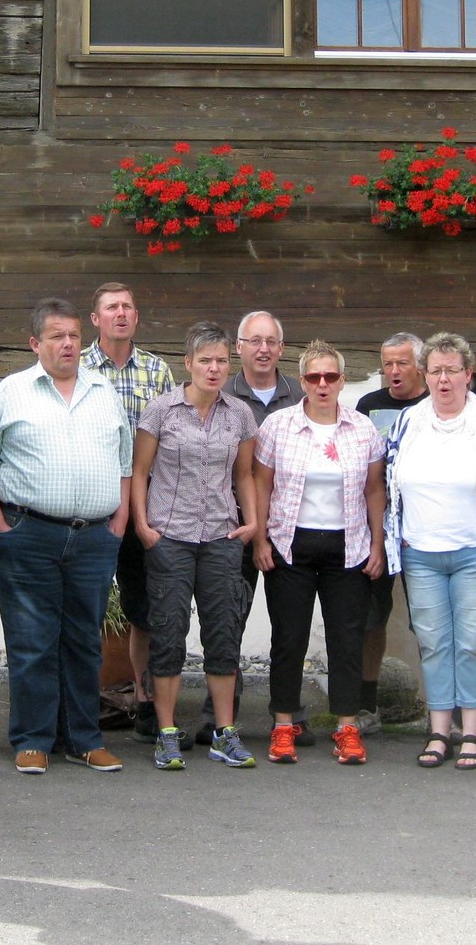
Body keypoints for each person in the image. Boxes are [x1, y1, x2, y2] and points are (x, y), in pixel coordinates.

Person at [0, 298, 133, 775]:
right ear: (35, 343)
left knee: (84, 640)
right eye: (56, 337)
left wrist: (119, 521)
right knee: (32, 641)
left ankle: (83, 738)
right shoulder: (11, 391)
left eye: (72, 336)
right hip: (28, 533)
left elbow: (125, 463)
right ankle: (32, 738)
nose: (68, 344)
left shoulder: (103, 391)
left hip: (93, 540)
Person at [384, 333, 476, 771]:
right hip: (420, 553)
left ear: (469, 373)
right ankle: (438, 731)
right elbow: (388, 483)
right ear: (424, 375)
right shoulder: (408, 421)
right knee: (432, 642)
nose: (443, 380)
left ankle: (471, 733)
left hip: (473, 552)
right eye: (435, 371)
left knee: (473, 642)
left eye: (451, 370)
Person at [130, 321, 261, 770]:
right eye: (205, 360)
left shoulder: (240, 414)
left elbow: (243, 474)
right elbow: (141, 472)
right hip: (170, 537)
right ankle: (167, 732)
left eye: (221, 360)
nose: (214, 368)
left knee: (223, 633)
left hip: (223, 538)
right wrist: (144, 526)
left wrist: (252, 522)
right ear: (187, 364)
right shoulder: (161, 411)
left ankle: (225, 733)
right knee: (167, 634)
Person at [253, 340, 387, 766]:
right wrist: (259, 540)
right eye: (314, 376)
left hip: (348, 548)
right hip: (290, 545)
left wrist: (378, 544)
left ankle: (347, 727)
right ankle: (283, 725)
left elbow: (374, 489)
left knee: (346, 639)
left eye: (331, 376)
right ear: (303, 381)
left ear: (343, 381)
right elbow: (260, 484)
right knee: (288, 639)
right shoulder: (278, 426)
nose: (323, 384)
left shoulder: (362, 429)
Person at [196, 309, 307, 747]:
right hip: (230, 527)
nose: (263, 349)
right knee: (227, 621)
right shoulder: (218, 390)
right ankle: (219, 713)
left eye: (271, 342)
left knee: (290, 625)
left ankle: (291, 712)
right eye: (253, 341)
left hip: (288, 530)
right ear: (238, 348)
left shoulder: (301, 395)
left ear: (281, 349)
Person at [81, 282, 177, 745]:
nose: (120, 314)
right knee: (83, 605)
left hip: (146, 503)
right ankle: (80, 700)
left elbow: (171, 437)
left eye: (127, 307)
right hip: (88, 504)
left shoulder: (158, 371)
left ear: (136, 317)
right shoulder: (76, 367)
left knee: (144, 608)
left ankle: (143, 699)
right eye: (111, 308)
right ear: (95, 318)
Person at [353, 331, 428, 734]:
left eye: (402, 363)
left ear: (420, 365)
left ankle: (443, 712)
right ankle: (367, 706)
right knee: (371, 620)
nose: (393, 371)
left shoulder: (436, 403)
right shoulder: (369, 405)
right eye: (387, 363)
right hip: (375, 528)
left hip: (424, 530)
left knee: (430, 621)